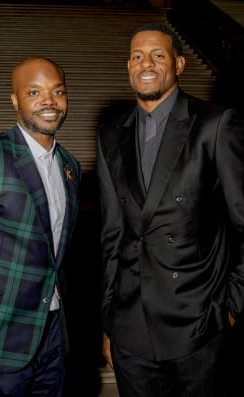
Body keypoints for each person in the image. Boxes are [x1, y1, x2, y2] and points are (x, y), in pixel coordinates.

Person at [97, 23, 244, 397]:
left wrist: (231, 306)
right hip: (131, 330)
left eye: (157, 55)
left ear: (179, 64)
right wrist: (110, 320)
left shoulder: (215, 124)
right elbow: (113, 232)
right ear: (127, 66)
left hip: (198, 326)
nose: (146, 63)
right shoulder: (111, 131)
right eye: (137, 56)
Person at [0, 56, 81, 397]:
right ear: (15, 100)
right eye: (34, 92)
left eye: (58, 91)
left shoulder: (70, 166)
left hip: (51, 337)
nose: (49, 100)